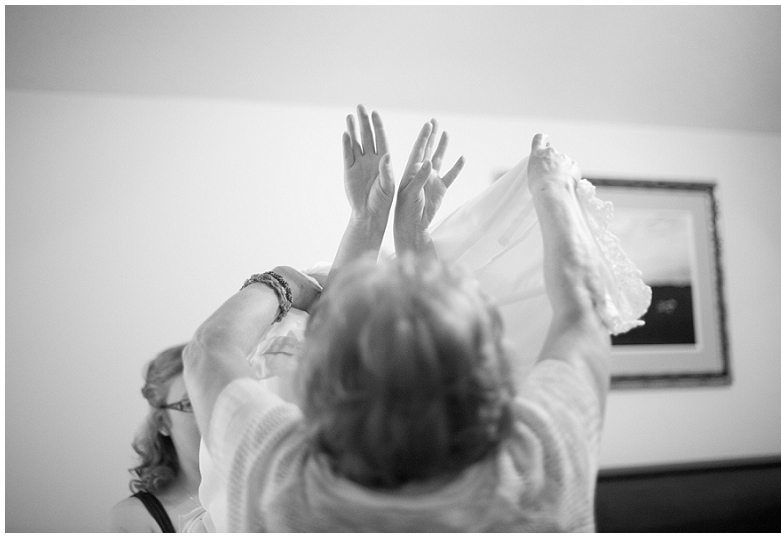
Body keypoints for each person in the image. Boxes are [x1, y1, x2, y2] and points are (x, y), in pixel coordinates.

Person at [182, 103, 634, 531]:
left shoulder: (279, 483)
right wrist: (553, 188)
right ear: (489, 378)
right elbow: (583, 310)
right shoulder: (537, 472)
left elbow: (209, 350)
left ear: (320, 386)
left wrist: (288, 277)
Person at [109, 344, 204, 532]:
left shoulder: (263, 491)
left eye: (214, 396)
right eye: (190, 403)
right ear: (163, 422)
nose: (209, 412)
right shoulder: (135, 518)